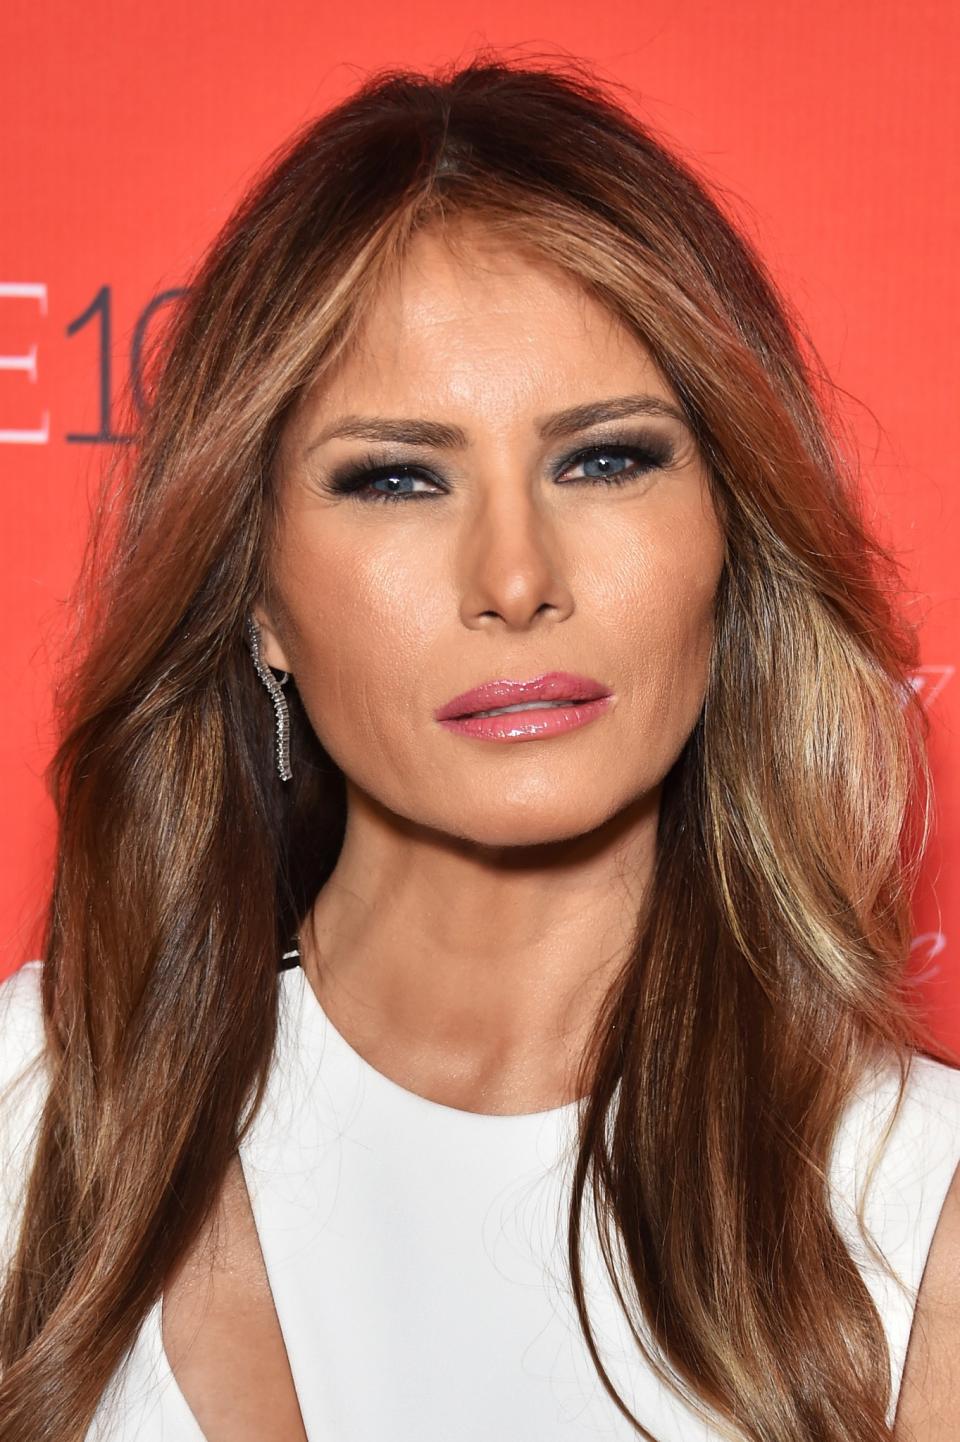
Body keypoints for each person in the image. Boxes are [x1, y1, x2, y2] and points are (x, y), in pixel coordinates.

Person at [0, 54, 958, 1442]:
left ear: (730, 538)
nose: (514, 577)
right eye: (397, 476)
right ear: (258, 593)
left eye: (607, 459)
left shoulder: (914, 1211)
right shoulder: (29, 1127)